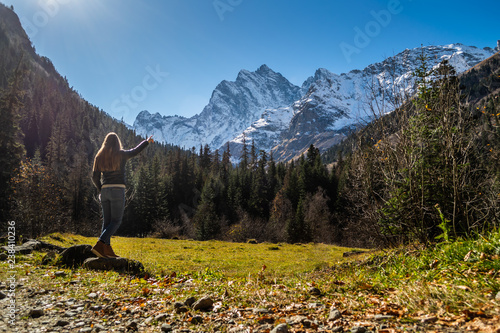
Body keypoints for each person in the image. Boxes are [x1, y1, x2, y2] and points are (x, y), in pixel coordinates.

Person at [91, 132, 153, 258]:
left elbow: (94, 177)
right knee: (116, 221)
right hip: (117, 190)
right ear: (117, 142)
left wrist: (100, 189)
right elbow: (135, 151)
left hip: (105, 191)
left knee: (107, 222)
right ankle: (99, 244)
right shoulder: (121, 154)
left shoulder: (99, 156)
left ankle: (106, 250)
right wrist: (147, 141)